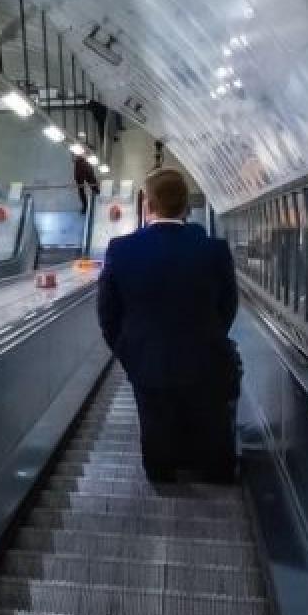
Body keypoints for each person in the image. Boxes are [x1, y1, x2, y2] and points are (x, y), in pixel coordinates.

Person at [97, 168, 240, 483]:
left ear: (148, 205)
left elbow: (108, 314)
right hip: (204, 358)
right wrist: (209, 339)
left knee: (155, 426)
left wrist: (128, 352)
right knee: (207, 423)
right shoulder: (214, 250)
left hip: (146, 360)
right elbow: (228, 306)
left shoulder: (121, 250)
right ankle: (209, 474)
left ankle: (163, 475)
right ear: (186, 206)